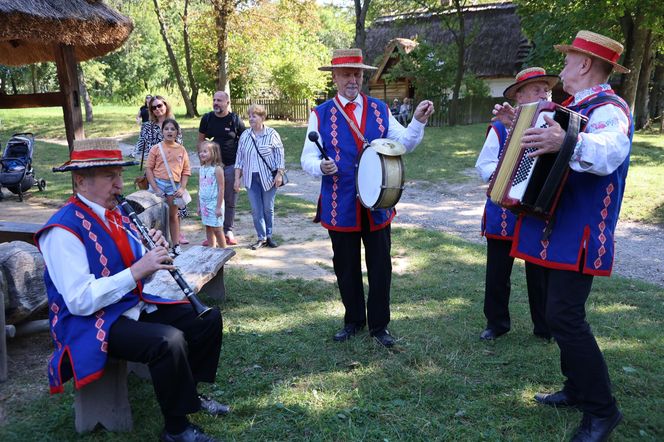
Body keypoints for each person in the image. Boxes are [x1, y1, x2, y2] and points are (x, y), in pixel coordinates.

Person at [37, 138, 226, 442]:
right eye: (110, 176)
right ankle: (176, 429)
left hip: (127, 305)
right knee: (169, 341)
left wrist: (154, 254)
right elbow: (79, 301)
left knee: (207, 320)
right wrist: (137, 270)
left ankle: (190, 393)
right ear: (81, 181)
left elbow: (137, 268)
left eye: (119, 175)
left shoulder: (117, 214)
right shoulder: (62, 231)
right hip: (89, 322)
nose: (119, 183)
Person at [509, 31, 632, 442]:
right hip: (556, 227)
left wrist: (568, 141)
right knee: (554, 310)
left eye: (568, 60)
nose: (562, 68)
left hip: (581, 231)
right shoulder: (570, 108)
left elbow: (611, 149)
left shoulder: (609, 110)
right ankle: (577, 388)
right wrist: (517, 128)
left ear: (584, 65)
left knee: (565, 316)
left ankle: (602, 411)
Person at [301, 48, 434, 348]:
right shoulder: (319, 114)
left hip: (378, 204)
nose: (353, 79)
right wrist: (320, 166)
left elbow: (404, 143)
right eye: (346, 73)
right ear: (334, 78)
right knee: (345, 268)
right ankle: (353, 321)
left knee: (380, 266)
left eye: (357, 73)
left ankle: (379, 325)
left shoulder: (379, 109)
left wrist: (418, 122)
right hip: (340, 203)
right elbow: (307, 158)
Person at [474, 67, 558, 341]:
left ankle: (544, 327)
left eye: (546, 88)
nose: (544, 93)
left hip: (537, 210)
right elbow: (483, 165)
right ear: (519, 96)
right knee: (498, 271)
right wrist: (507, 174)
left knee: (540, 271)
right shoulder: (499, 128)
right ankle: (496, 323)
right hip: (503, 211)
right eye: (536, 89)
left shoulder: (556, 128)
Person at [198, 91, 247, 246]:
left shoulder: (235, 120)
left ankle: (228, 231)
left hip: (231, 165)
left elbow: (245, 142)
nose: (216, 103)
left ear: (227, 102)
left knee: (230, 198)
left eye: (219, 100)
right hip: (212, 167)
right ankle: (211, 233)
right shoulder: (207, 119)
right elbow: (200, 141)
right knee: (210, 197)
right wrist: (203, 160)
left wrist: (241, 168)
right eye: (214, 100)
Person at [234, 104, 285, 250]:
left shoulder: (272, 134)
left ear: (262, 117)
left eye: (254, 116)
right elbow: (239, 159)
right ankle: (261, 237)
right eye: (249, 116)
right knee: (256, 210)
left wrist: (279, 175)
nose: (250, 119)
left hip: (269, 178)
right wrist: (237, 178)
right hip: (251, 178)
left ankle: (269, 236)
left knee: (268, 208)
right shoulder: (245, 135)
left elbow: (280, 156)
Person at [145, 118, 191, 257]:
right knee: (157, 217)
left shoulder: (181, 149)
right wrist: (155, 188)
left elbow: (186, 171)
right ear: (162, 131)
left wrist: (182, 188)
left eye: (172, 129)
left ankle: (175, 245)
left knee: (173, 216)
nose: (169, 131)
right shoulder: (156, 148)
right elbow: (149, 169)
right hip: (158, 184)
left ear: (177, 132)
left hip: (173, 187)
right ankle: (159, 247)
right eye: (166, 129)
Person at [198, 140, 227, 248]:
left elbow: (221, 188)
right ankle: (212, 250)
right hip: (204, 204)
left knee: (217, 229)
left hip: (214, 204)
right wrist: (199, 206)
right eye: (201, 151)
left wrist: (218, 207)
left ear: (213, 153)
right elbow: (200, 188)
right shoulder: (202, 168)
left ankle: (224, 252)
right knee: (208, 227)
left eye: (205, 151)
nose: (202, 154)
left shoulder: (217, 169)